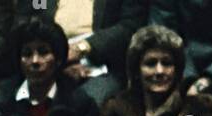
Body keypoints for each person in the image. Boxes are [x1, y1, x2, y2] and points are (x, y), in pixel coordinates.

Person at [15, 0, 149, 107]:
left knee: (85, 104)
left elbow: (130, 26)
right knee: (23, 104)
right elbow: (30, 16)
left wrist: (83, 48)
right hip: (48, 59)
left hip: (100, 63)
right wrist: (59, 61)